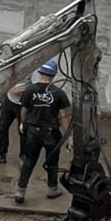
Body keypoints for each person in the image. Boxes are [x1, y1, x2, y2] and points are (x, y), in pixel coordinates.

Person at [15, 61, 71, 203]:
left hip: (32, 131)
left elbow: (24, 110)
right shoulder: (59, 93)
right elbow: (64, 116)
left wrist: (23, 124)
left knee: (29, 161)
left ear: (40, 72)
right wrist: (68, 136)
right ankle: (52, 189)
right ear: (54, 74)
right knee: (52, 162)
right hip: (51, 132)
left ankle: (20, 191)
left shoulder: (30, 90)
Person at [0, 82, 26, 165]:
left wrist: (23, 90)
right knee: (2, 128)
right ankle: (1, 154)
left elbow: (40, 84)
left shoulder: (34, 73)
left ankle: (24, 156)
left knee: (23, 131)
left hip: (23, 104)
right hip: (9, 100)